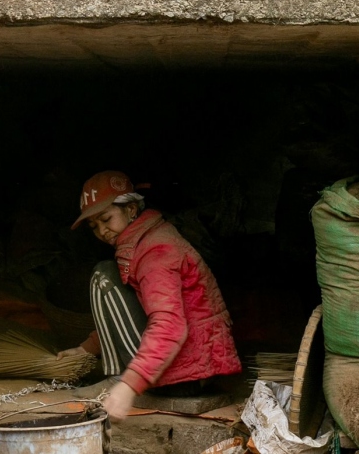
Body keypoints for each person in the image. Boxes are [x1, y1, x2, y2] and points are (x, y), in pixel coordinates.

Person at [57, 171, 241, 422]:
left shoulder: (156, 250)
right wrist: (85, 349)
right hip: (192, 368)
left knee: (103, 275)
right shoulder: (141, 242)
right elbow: (131, 313)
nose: (102, 231)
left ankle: (117, 377)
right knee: (108, 272)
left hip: (187, 375)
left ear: (131, 209)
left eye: (106, 218)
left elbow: (169, 326)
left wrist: (129, 385)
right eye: (94, 226)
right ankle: (119, 375)